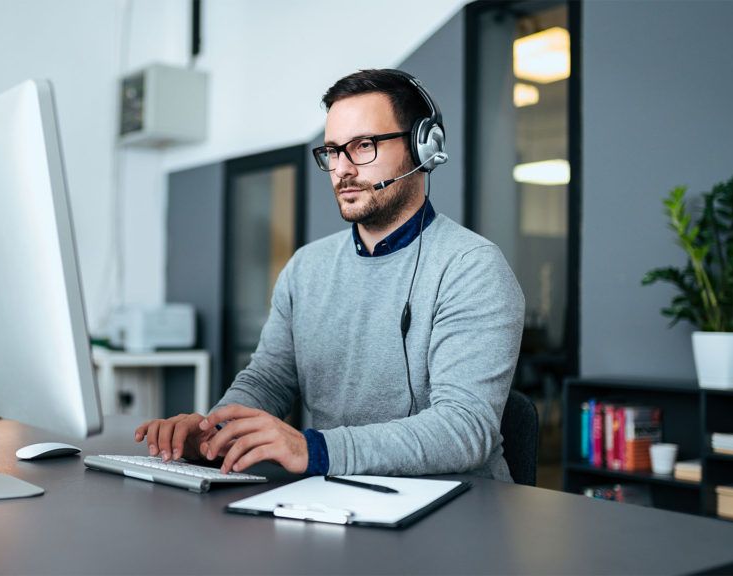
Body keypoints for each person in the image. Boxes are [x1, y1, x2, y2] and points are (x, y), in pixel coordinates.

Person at [135, 69, 524, 480]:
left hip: (456, 513)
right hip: (333, 498)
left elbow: (464, 429)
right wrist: (211, 435)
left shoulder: (471, 267)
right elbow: (268, 381)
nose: (342, 168)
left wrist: (313, 449)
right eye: (333, 151)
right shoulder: (306, 268)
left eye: (364, 146)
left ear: (422, 147)